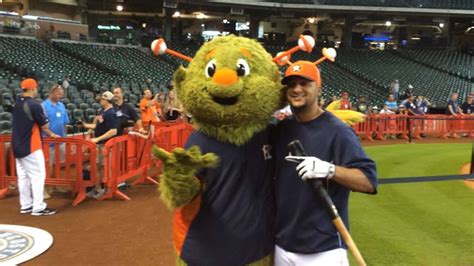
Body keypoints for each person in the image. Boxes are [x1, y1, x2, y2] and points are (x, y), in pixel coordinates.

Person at [272, 61, 377, 265]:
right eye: (291, 84)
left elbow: (368, 181)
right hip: (282, 245)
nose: (296, 89)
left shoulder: (338, 131)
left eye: (304, 83)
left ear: (318, 88)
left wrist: (328, 169)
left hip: (323, 248)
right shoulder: (280, 129)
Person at [12, 78, 58, 216]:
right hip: (31, 145)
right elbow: (45, 125)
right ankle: (38, 207)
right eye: (36, 87)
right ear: (32, 88)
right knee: (38, 176)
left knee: (23, 177)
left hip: (17, 145)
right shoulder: (34, 105)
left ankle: (26, 205)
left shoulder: (17, 104)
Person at [82, 91, 118, 198]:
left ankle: (106, 189)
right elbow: (98, 126)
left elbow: (113, 131)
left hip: (106, 145)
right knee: (99, 167)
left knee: (105, 167)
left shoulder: (111, 113)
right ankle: (99, 188)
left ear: (107, 100)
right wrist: (86, 125)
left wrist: (98, 138)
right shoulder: (103, 111)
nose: (100, 101)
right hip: (100, 144)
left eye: (102, 99)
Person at [42, 84, 70, 197]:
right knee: (47, 166)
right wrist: (52, 135)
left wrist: (65, 138)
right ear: (52, 92)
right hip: (47, 142)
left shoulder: (61, 105)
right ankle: (44, 188)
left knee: (57, 165)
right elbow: (42, 125)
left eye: (62, 94)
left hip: (60, 141)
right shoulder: (43, 106)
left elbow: (65, 123)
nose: (60, 96)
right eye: (59, 94)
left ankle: (55, 186)